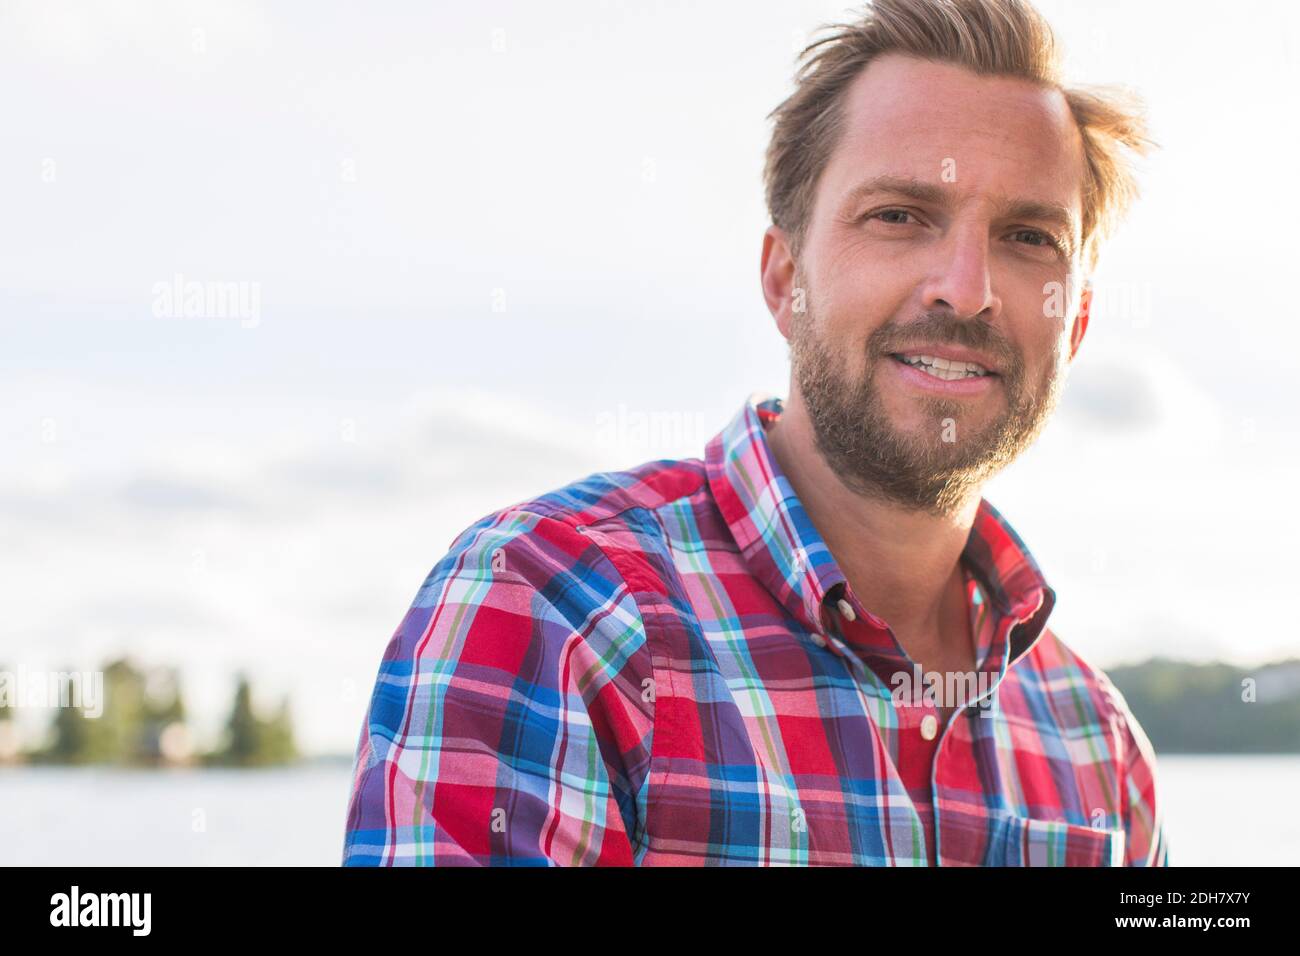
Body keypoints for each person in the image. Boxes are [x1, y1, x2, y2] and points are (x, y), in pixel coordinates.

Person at [342, 0, 1168, 866]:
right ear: (784, 279)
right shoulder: (551, 608)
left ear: (1074, 322)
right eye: (898, 216)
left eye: (1029, 236)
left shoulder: (1098, 747)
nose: (966, 289)